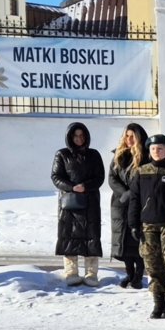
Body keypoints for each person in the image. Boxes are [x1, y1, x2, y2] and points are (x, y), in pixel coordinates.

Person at [125, 134, 165, 319]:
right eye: (152, 149)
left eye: (160, 148)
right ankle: (158, 303)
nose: (156, 152)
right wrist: (133, 224)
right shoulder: (142, 171)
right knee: (152, 265)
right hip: (148, 225)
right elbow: (134, 199)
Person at [51, 121, 106, 286]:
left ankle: (91, 273)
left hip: (90, 202)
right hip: (69, 203)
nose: (79, 139)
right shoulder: (61, 154)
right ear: (70, 137)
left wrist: (85, 186)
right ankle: (71, 272)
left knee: (91, 236)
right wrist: (72, 187)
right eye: (75, 135)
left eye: (82, 135)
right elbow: (56, 177)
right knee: (69, 236)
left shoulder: (94, 154)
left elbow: (99, 177)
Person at [107, 123, 150, 289]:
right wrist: (124, 193)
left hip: (139, 202)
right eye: (127, 135)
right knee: (123, 240)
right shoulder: (118, 155)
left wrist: (132, 194)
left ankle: (139, 275)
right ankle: (129, 273)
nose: (129, 139)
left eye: (132, 136)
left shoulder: (146, 156)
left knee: (137, 240)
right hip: (120, 202)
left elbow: (145, 179)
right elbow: (112, 178)